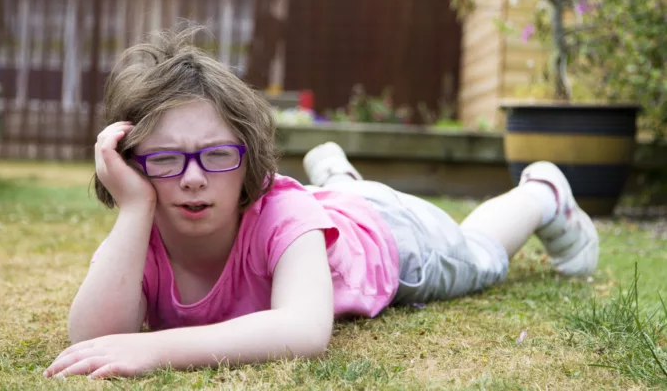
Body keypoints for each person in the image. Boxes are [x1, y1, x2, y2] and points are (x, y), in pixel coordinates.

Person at [43, 27, 599, 380]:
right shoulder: (144, 227)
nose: (191, 179)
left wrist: (155, 351)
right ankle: (338, 177)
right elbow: (92, 338)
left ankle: (542, 192)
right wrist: (135, 209)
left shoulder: (283, 214)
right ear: (132, 166)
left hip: (392, 239)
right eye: (164, 160)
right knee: (330, 203)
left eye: (217, 155)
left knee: (480, 254)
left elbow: (305, 329)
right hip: (331, 212)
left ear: (251, 161)